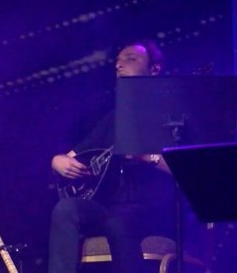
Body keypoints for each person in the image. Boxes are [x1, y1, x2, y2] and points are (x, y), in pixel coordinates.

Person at [48, 40, 176, 273]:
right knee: (66, 209)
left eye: (130, 59)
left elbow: (188, 170)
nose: (119, 65)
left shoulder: (171, 113)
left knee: (118, 225)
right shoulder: (115, 117)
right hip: (110, 209)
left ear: (154, 69)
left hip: (153, 211)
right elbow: (73, 155)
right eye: (117, 61)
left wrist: (147, 157)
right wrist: (57, 161)